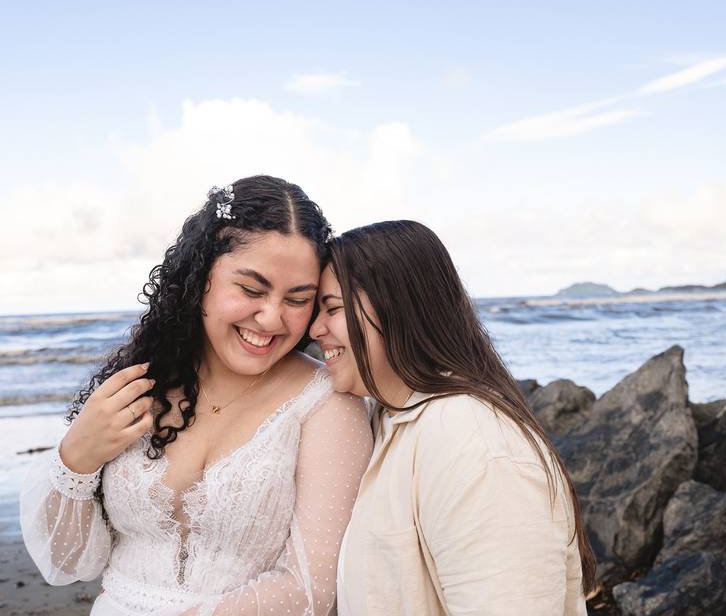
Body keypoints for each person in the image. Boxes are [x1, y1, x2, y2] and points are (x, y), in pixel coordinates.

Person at [20, 176, 373, 615]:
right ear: (200, 276)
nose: (270, 318)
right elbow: (68, 562)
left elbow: (312, 588)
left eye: (297, 299)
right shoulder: (142, 381)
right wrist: (78, 457)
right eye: (251, 289)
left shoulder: (327, 404)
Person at [308, 219, 597, 616]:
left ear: (399, 308)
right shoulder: (390, 417)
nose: (315, 328)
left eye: (333, 308)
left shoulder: (472, 441)